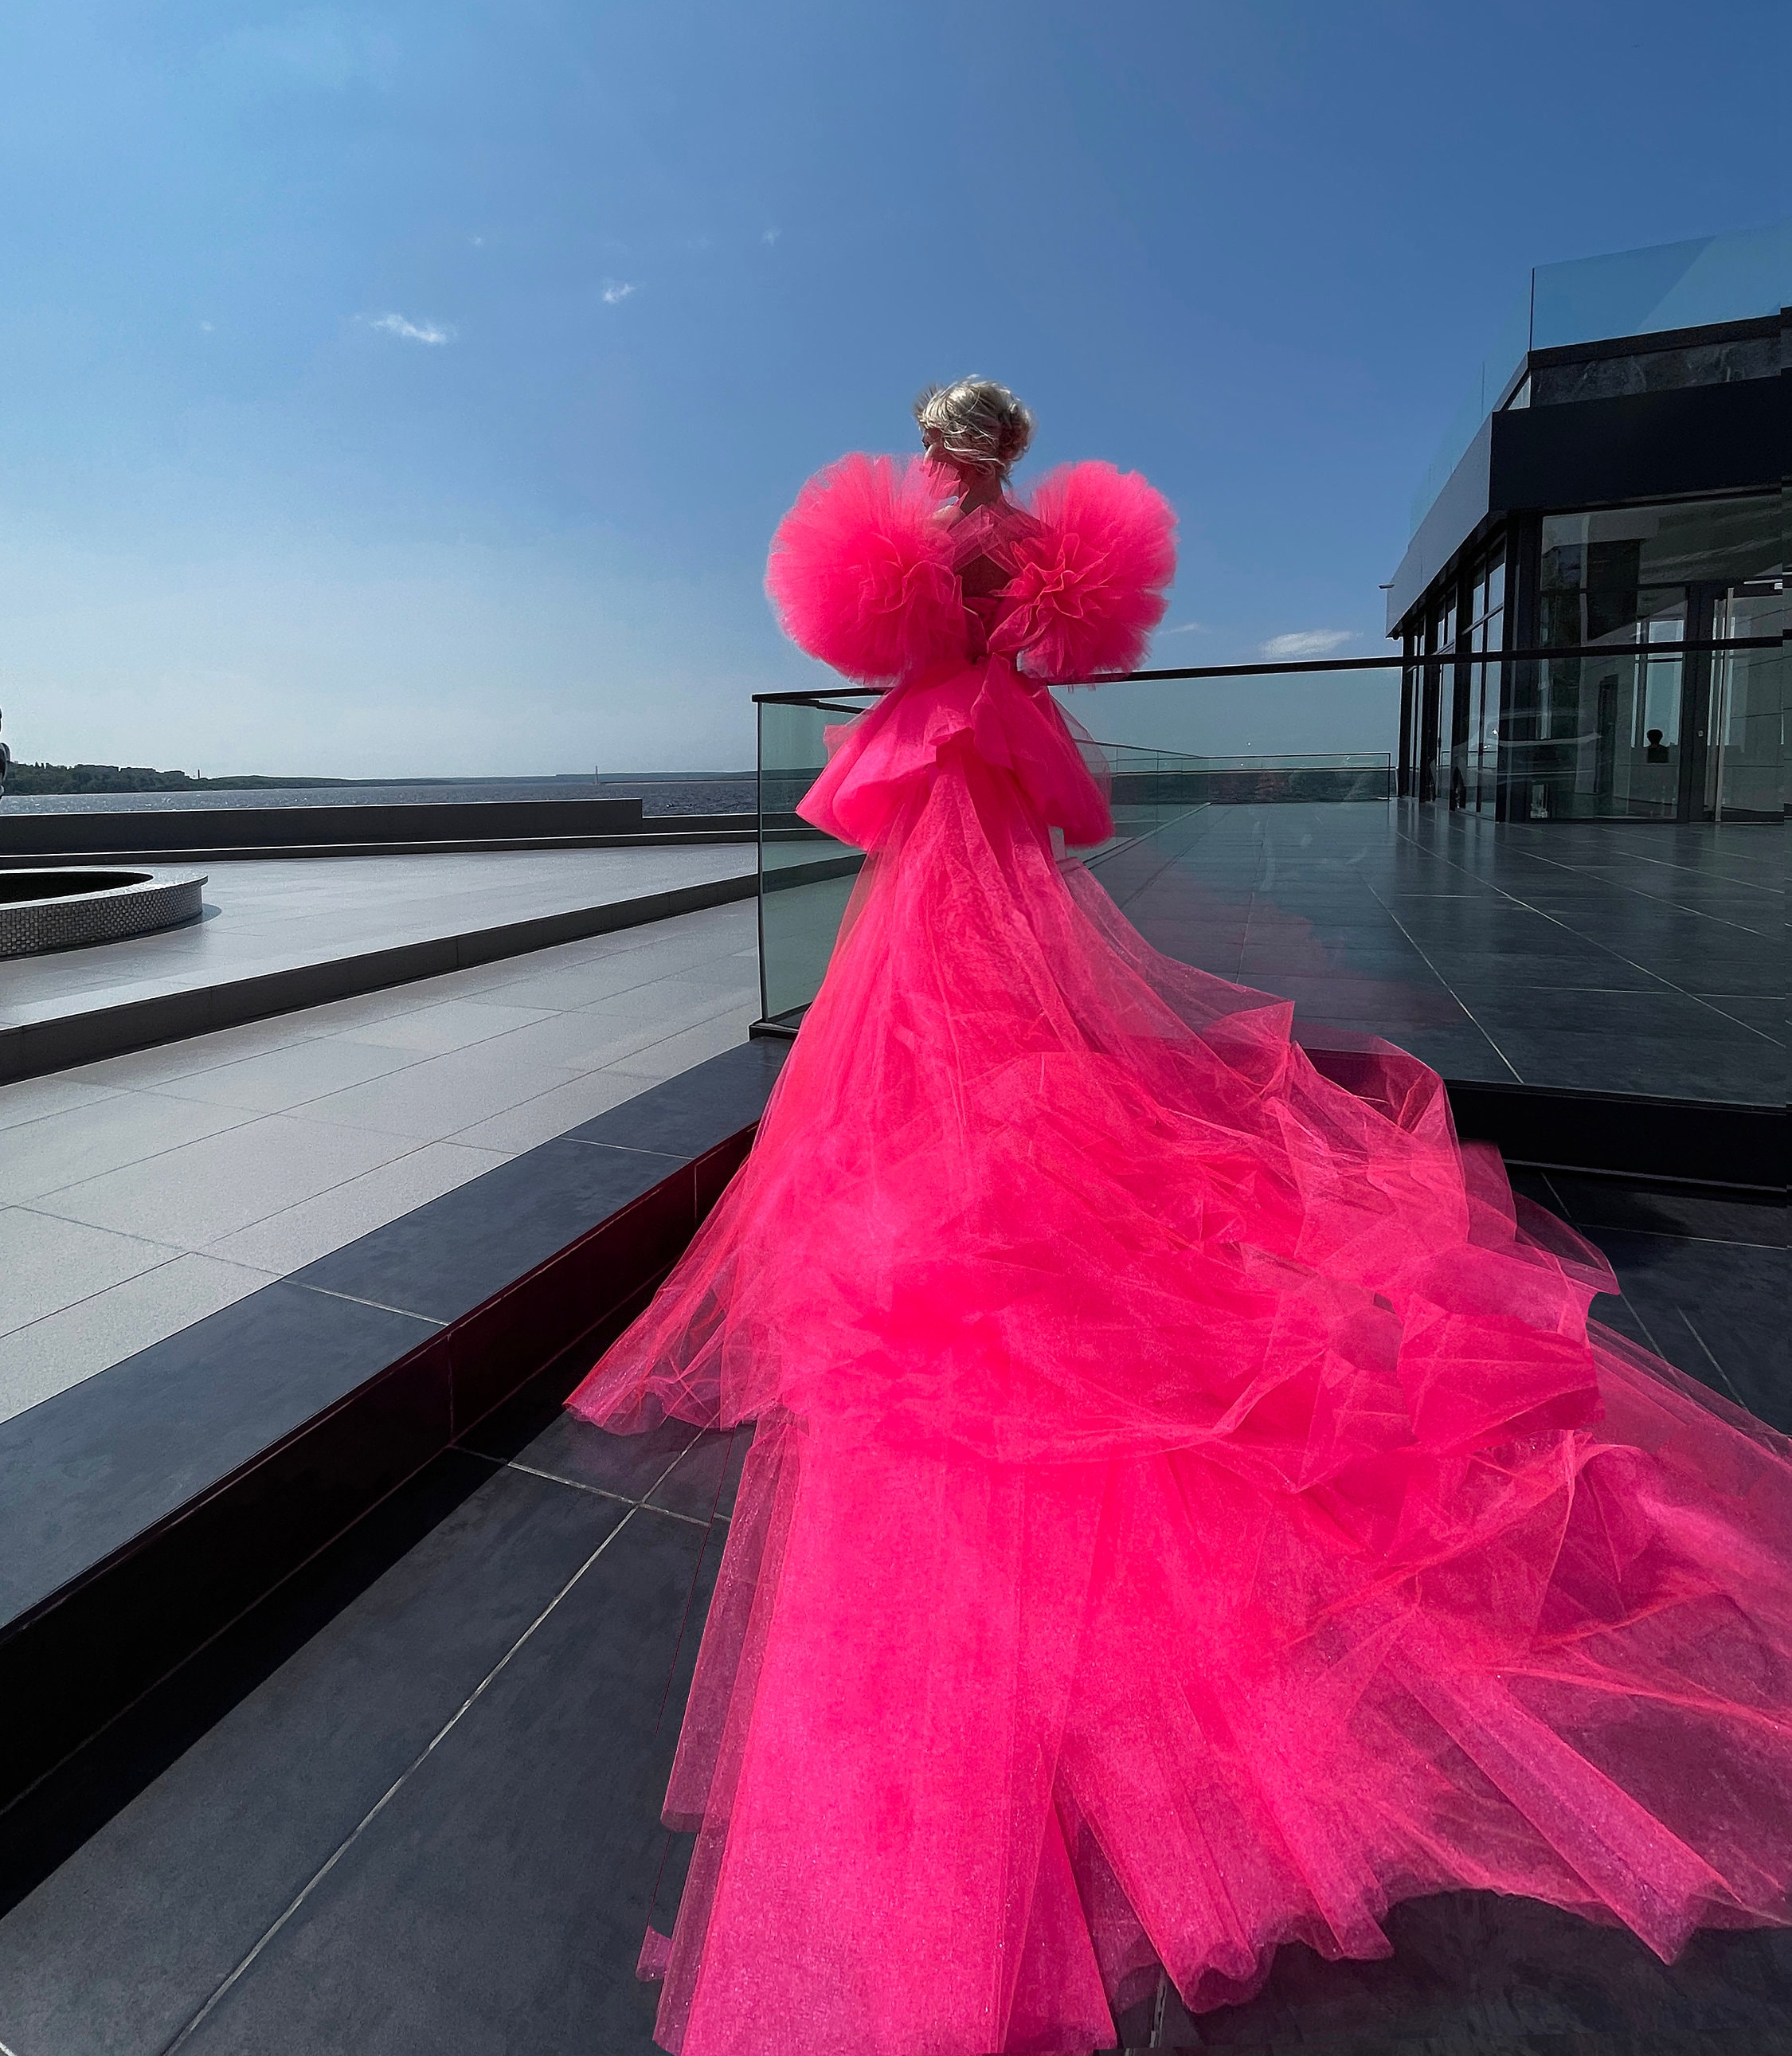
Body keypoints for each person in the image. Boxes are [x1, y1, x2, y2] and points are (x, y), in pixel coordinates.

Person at [569, 378, 1791, 2056]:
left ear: (935, 446)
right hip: (985, 777)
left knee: (921, 1005)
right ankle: (984, 1154)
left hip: (939, 789)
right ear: (1004, 447)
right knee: (996, 993)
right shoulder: (1013, 544)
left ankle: (947, 1172)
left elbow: (890, 665)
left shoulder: (917, 536)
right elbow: (1030, 660)